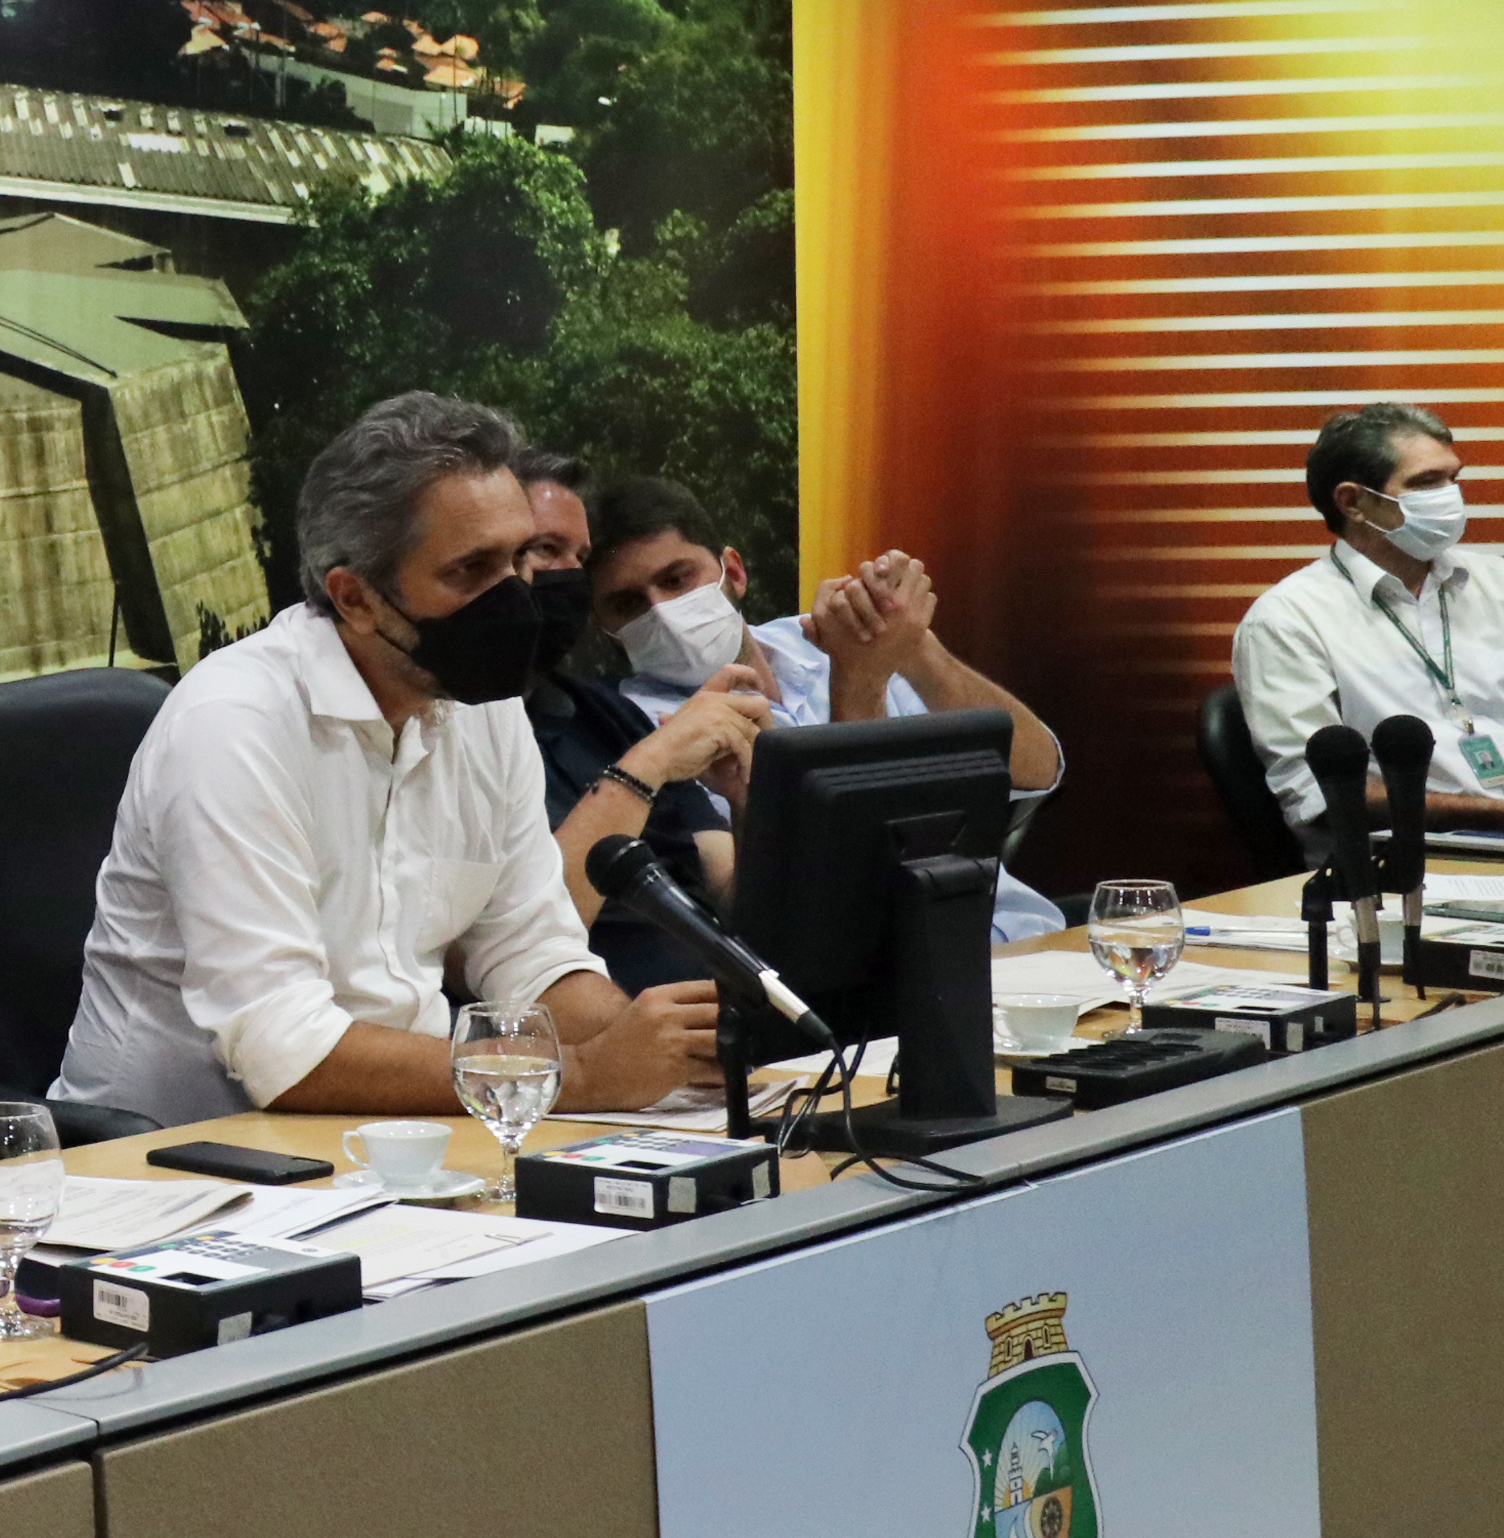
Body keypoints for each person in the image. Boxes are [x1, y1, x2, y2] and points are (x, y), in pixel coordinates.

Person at [54, 392, 715, 1129]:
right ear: (355, 598)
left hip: (398, 1136)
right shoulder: (233, 724)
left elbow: (531, 951)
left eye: (518, 558)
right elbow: (282, 1046)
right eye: (471, 570)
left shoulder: (481, 705)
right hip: (170, 1155)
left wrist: (673, 1054)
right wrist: (582, 1074)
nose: (514, 599)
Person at [584, 474, 1066, 941]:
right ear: (603, 627)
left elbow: (1038, 770)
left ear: (735, 572)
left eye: (677, 579)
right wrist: (860, 682)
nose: (663, 612)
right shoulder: (639, 734)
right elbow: (823, 901)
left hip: (1026, 933)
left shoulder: (820, 635)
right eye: (628, 604)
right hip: (907, 964)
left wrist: (916, 649)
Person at [509, 451, 771, 993]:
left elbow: (732, 895)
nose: (565, 574)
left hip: (733, 1008)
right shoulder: (449, 730)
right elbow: (520, 941)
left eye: (579, 557)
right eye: (545, 549)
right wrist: (651, 763)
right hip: (611, 1023)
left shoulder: (606, 715)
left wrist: (750, 797)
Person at [1233, 403, 1504, 843]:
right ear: (1353, 502)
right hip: (1412, 856)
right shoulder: (1287, 621)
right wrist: (1494, 815)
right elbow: (1319, 795)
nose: (1450, 496)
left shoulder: (1496, 582)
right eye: (1427, 483)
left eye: (1453, 478)